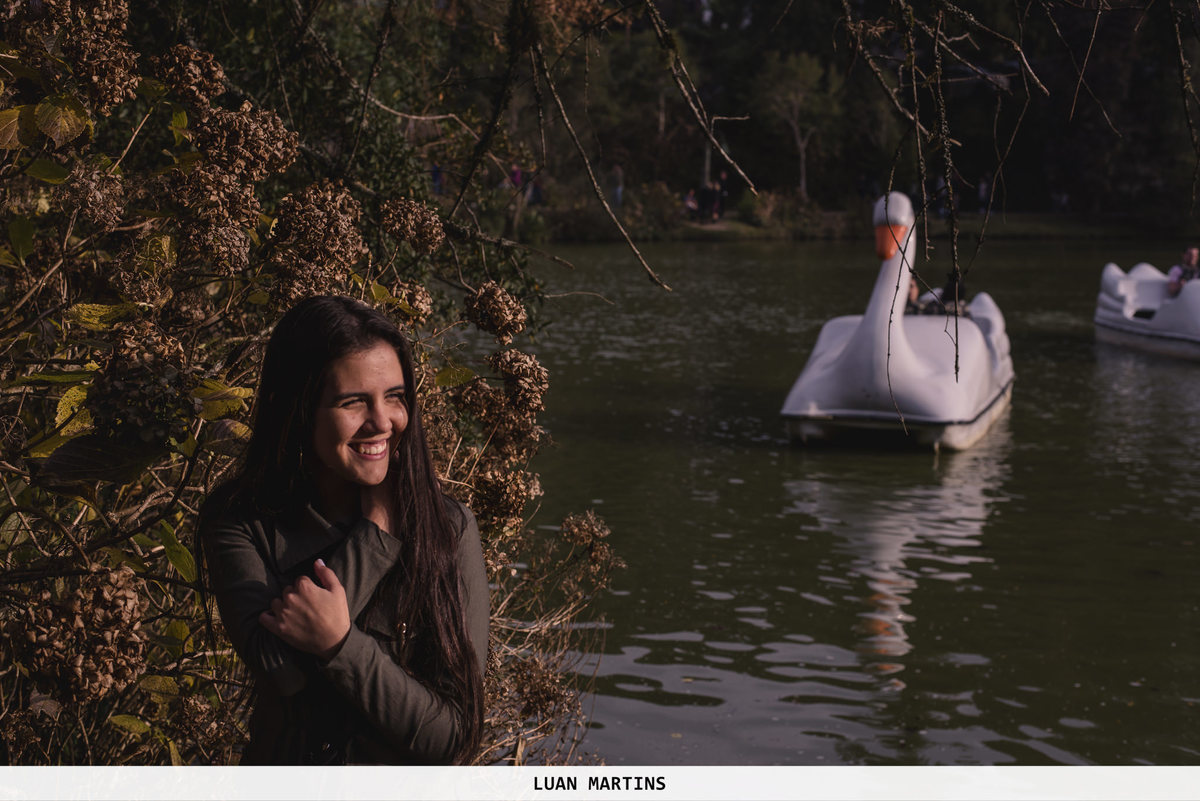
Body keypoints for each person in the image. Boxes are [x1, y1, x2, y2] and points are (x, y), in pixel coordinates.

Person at [199, 296, 488, 765]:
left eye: (394, 396)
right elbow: (283, 674)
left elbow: (454, 737)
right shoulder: (238, 522)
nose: (382, 422)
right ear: (299, 408)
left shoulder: (448, 529)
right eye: (353, 402)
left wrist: (340, 645)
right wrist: (375, 534)